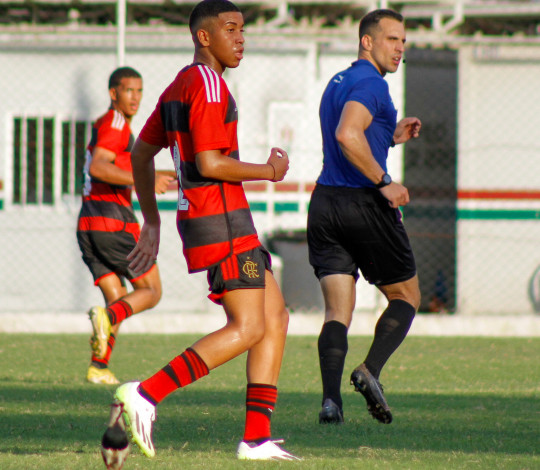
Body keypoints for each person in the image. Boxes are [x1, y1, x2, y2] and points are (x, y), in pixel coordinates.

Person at [101, 0, 300, 463]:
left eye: (243, 30)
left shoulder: (179, 85)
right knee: (248, 326)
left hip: (213, 220)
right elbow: (210, 162)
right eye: (230, 29)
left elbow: (141, 154)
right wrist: (269, 171)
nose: (240, 38)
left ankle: (256, 439)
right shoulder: (207, 85)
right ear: (203, 37)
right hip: (222, 220)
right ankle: (145, 394)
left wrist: (151, 218)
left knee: (275, 318)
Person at [307, 9, 422, 425]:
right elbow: (347, 135)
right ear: (367, 42)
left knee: (337, 312)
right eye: (392, 39)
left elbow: (352, 137)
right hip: (363, 203)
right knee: (407, 297)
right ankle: (369, 370)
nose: (400, 49)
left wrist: (392, 136)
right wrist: (385, 180)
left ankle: (330, 401)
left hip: (325, 204)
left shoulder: (339, 81)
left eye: (403, 42)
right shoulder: (372, 83)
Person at [77, 66, 174, 385]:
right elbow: (101, 167)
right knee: (151, 290)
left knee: (117, 296)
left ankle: (98, 367)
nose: (135, 97)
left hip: (89, 225)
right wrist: (145, 178)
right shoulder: (116, 123)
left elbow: (112, 165)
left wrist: (154, 174)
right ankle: (107, 319)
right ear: (113, 93)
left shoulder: (106, 125)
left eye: (139, 90)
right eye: (128, 90)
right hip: (113, 223)